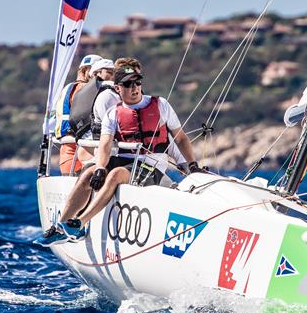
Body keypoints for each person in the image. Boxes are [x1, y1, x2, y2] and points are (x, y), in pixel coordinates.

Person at [38, 58, 204, 245]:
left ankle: (79, 224)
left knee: (116, 174)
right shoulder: (113, 113)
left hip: (149, 166)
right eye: (127, 84)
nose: (134, 88)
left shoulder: (161, 105)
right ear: (118, 88)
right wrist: (100, 167)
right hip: (123, 160)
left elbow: (180, 138)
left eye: (137, 82)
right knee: (89, 174)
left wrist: (192, 165)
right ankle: (61, 227)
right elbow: (105, 145)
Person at [54, 55, 115, 174]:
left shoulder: (68, 88)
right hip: (79, 151)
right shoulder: (85, 90)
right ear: (85, 71)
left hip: (66, 151)